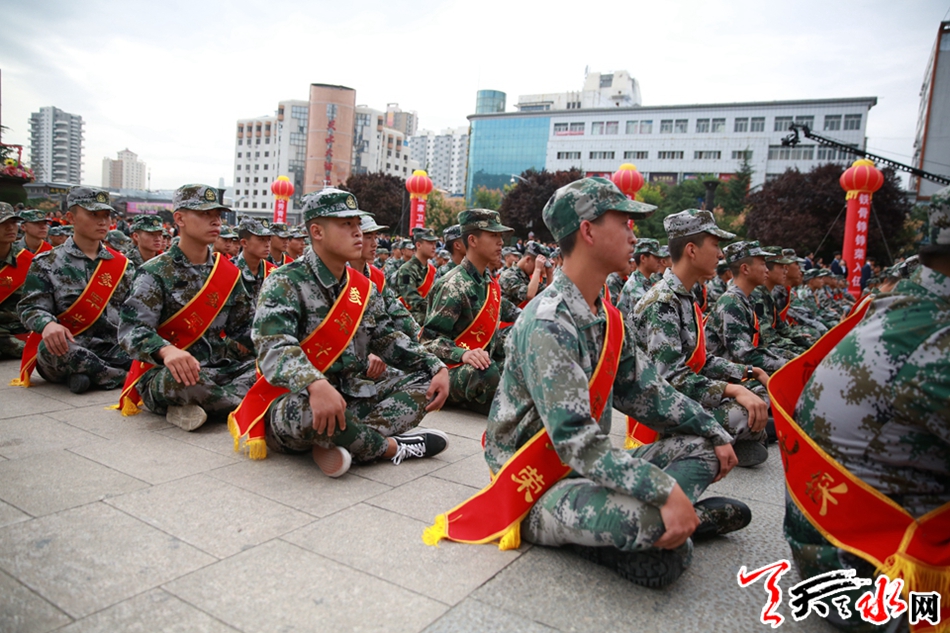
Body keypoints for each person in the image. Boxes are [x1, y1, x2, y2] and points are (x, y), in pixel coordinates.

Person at [427, 178, 747, 588]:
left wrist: (713, 428)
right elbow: (576, 440)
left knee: (704, 449)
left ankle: (664, 523)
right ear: (588, 231)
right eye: (624, 222)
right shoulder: (548, 320)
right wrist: (663, 490)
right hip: (537, 483)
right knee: (657, 531)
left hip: (590, 468)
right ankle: (670, 523)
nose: (635, 234)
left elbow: (647, 391)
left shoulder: (607, 316)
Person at [780, 188, 950, 631]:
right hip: (867, 570)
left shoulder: (913, 315)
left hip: (837, 547)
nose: (788, 271)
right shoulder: (935, 337)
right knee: (738, 423)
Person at [237, 188, 451, 477]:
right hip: (296, 397)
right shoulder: (285, 282)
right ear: (317, 231)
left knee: (426, 381)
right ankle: (389, 447)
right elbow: (274, 347)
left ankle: (343, 439)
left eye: (357, 223)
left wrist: (434, 365)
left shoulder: (362, 288)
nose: (358, 232)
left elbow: (387, 338)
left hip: (350, 393)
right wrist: (315, 383)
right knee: (305, 416)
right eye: (345, 224)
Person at [633, 209, 770, 466]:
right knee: (744, 411)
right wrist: (732, 390)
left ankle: (739, 435)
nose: (721, 254)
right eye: (715, 245)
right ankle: (719, 439)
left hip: (683, 398)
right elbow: (670, 378)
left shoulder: (684, 296)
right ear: (691, 251)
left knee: (758, 392)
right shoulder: (662, 303)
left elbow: (701, 361)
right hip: (661, 413)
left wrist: (749, 372)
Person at [118, 184, 257, 430]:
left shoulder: (227, 272)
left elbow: (245, 327)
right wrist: (167, 351)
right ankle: (253, 406)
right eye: (205, 214)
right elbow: (132, 330)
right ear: (179, 219)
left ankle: (211, 406)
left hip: (220, 368)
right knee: (182, 382)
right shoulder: (155, 272)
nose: (215, 221)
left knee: (265, 369)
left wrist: (280, 350)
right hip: (171, 372)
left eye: (218, 215)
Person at [15, 187, 133, 393]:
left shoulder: (123, 265)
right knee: (53, 349)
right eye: (93, 214)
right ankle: (125, 378)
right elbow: (31, 307)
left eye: (106, 215)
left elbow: (136, 310)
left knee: (149, 352)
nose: (103, 221)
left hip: (111, 346)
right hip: (67, 345)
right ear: (71, 217)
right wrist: (48, 325)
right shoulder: (47, 262)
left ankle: (92, 375)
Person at [421, 210, 521, 415]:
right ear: (473, 240)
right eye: (494, 235)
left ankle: (492, 399)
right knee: (486, 372)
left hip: (482, 361)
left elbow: (492, 340)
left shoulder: (488, 282)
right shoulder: (454, 285)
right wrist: (464, 354)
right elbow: (428, 342)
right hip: (453, 368)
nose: (501, 242)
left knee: (521, 362)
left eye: (501, 236)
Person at [706, 241, 789, 374]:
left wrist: (792, 358)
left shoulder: (747, 299)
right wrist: (786, 364)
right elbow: (744, 355)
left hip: (743, 370)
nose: (767, 269)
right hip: (729, 375)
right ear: (745, 269)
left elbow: (761, 346)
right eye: (762, 264)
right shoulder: (731, 303)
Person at [0, 203, 30, 358]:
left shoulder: (28, 261)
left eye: (13, 222)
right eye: (3, 223)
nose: (10, 228)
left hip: (22, 328)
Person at [394, 227, 439, 326]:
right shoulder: (406, 269)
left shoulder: (432, 269)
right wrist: (434, 309)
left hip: (427, 312)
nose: (434, 247)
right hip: (409, 315)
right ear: (418, 245)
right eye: (430, 243)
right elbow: (411, 299)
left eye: (435, 243)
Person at [616, 237, 662, 317]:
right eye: (656, 257)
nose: (660, 261)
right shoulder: (634, 286)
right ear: (643, 258)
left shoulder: (651, 280)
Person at [233, 217, 274, 305]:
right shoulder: (229, 270)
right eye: (261, 239)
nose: (267, 244)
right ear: (244, 243)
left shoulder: (272, 272)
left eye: (269, 239)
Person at [498, 241, 550, 309]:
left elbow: (547, 291)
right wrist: (537, 269)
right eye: (537, 265)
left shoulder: (525, 276)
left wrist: (549, 273)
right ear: (528, 260)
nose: (540, 268)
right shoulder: (508, 275)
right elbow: (529, 295)